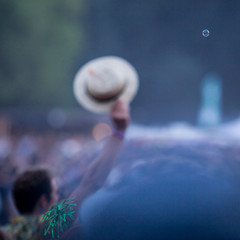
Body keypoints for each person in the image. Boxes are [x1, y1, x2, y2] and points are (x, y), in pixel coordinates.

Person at [0, 99, 130, 240]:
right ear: (43, 201)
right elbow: (92, 182)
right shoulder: (44, 228)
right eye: (56, 193)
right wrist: (118, 132)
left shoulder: (13, 230)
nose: (60, 198)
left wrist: (5, 190)